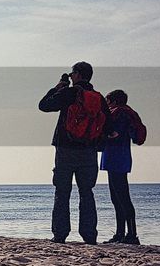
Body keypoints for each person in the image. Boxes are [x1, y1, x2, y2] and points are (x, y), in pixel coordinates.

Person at [38, 62, 111, 244]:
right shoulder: (98, 98)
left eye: (72, 74)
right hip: (88, 151)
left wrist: (58, 87)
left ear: (77, 75)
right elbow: (108, 126)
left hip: (65, 149)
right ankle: (89, 235)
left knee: (62, 192)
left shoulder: (70, 93)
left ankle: (60, 234)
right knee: (87, 192)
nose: (71, 76)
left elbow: (44, 105)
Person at [101, 89, 147, 245]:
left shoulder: (120, 114)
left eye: (107, 101)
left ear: (113, 101)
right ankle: (122, 233)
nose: (106, 104)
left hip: (116, 158)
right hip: (119, 158)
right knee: (117, 198)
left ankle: (131, 234)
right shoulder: (124, 113)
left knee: (122, 197)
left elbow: (113, 134)